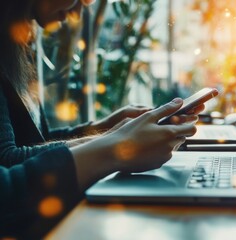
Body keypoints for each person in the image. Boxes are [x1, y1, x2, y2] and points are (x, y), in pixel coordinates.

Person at [0, 0, 204, 238]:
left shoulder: (16, 41)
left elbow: (34, 143)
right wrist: (115, 147)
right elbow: (8, 165)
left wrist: (102, 130)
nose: (77, 13)